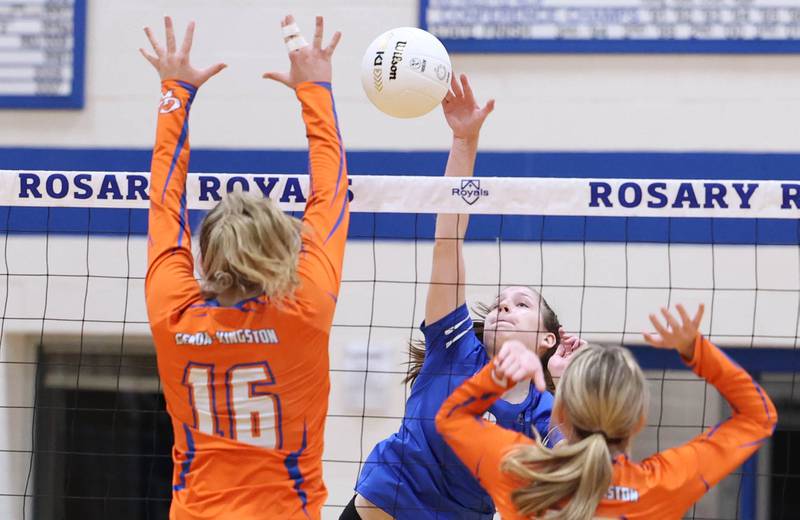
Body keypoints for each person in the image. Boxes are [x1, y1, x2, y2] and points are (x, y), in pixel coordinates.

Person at [344, 74, 585, 520]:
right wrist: (464, 140)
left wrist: (571, 384)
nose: (504, 306)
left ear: (548, 340)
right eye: (500, 302)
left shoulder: (546, 409)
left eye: (522, 303)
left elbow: (571, 479)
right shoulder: (454, 344)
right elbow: (448, 239)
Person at [141, 14, 347, 519]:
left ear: (206, 254)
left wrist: (176, 92)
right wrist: (315, 89)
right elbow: (333, 194)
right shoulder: (304, 311)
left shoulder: (175, 314)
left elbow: (163, 203)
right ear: (283, 249)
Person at [436, 304, 778, 519]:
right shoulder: (661, 485)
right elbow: (759, 416)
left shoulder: (522, 471)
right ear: (639, 420)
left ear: (560, 410)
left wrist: (501, 373)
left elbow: (451, 418)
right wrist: (697, 351)